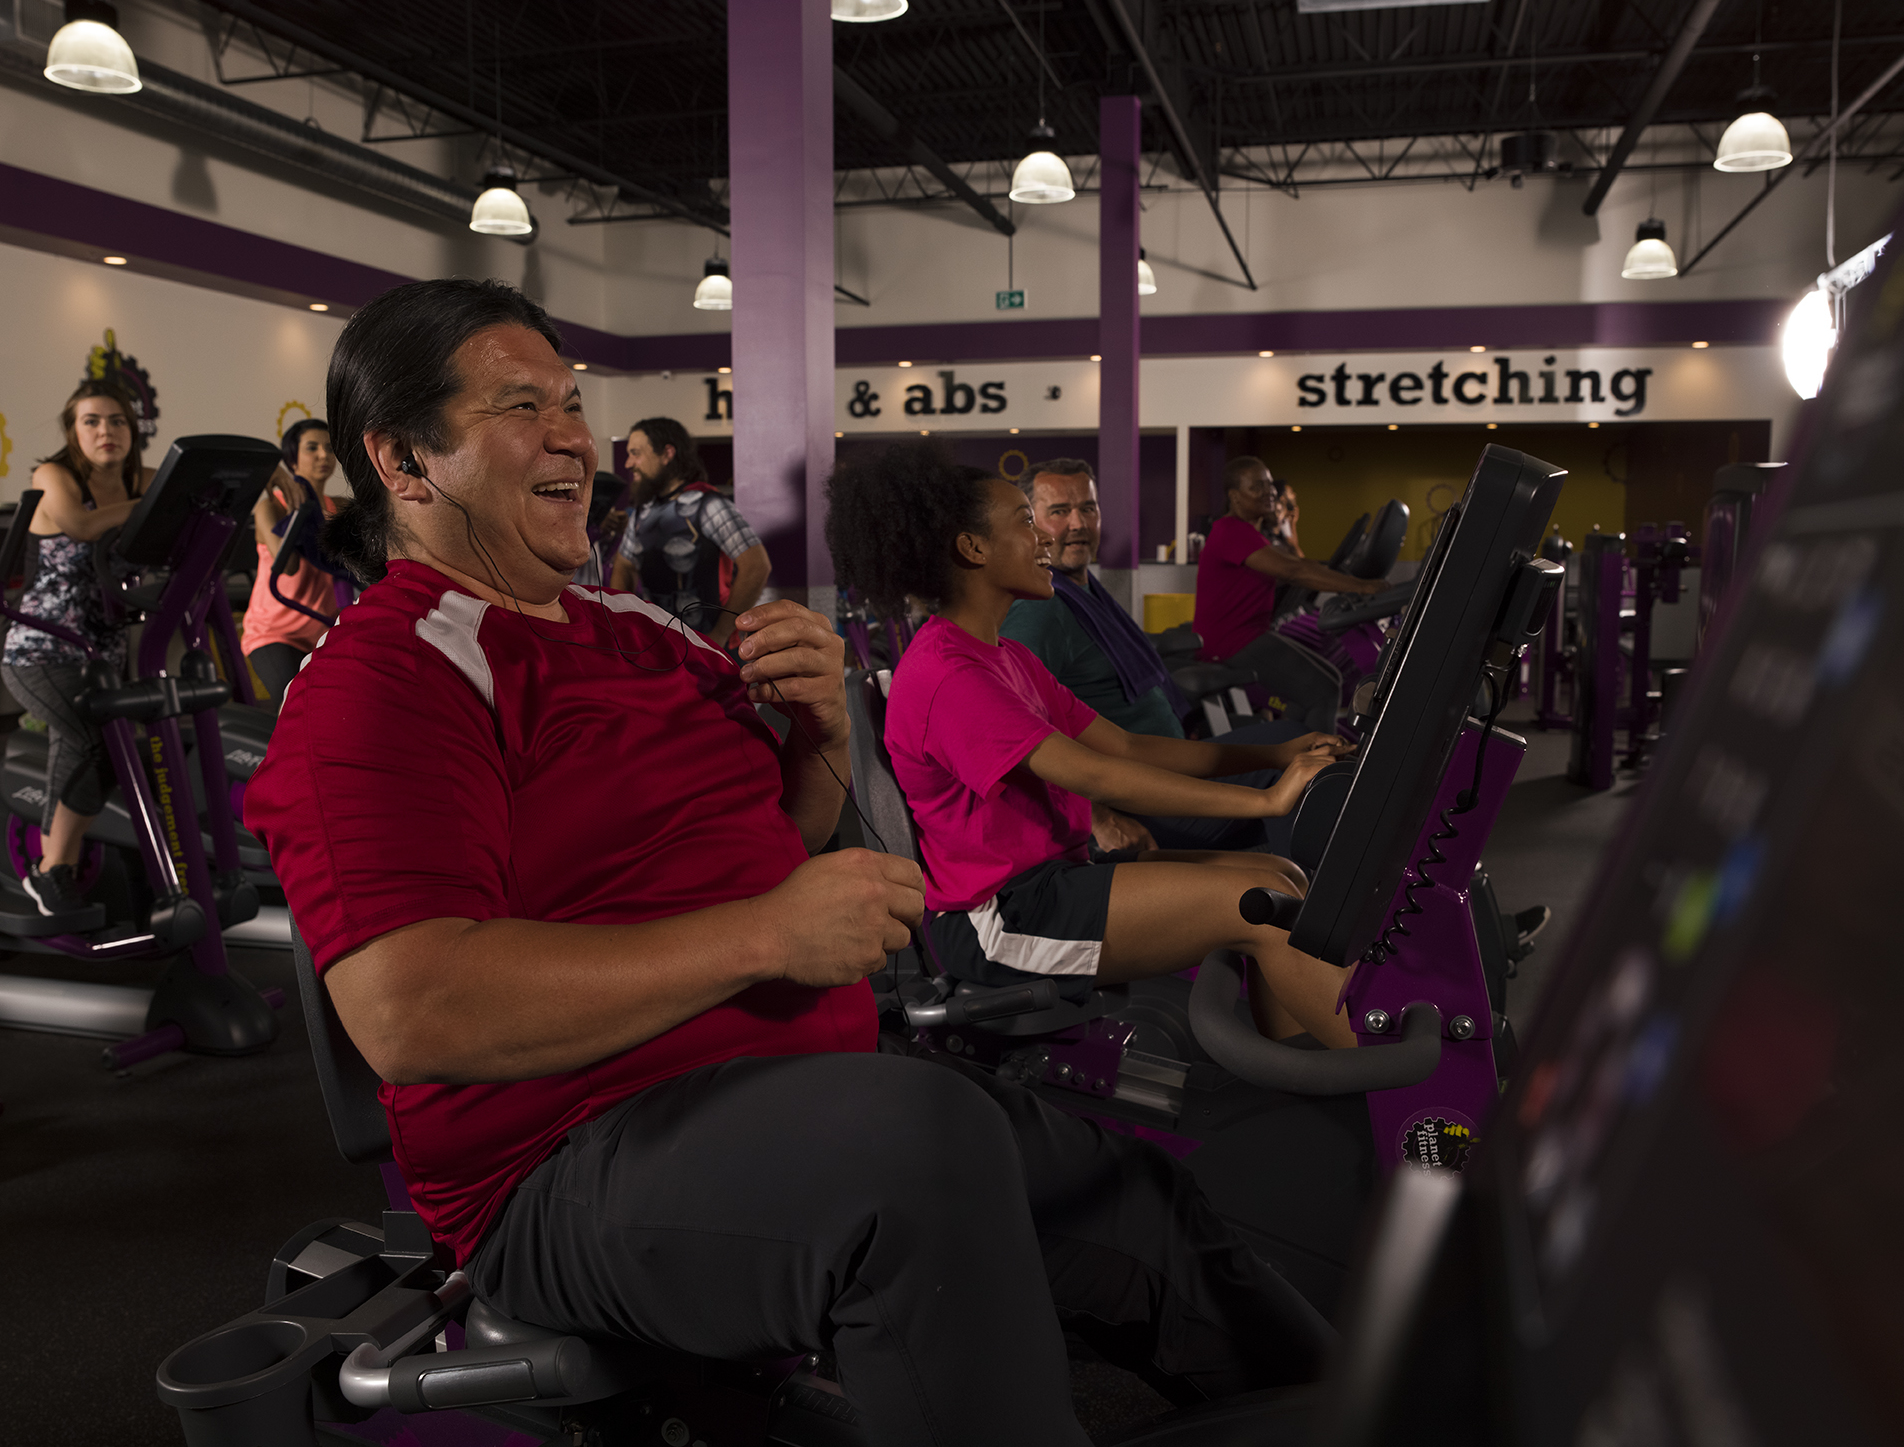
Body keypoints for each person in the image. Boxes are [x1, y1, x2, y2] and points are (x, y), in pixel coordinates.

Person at [247, 278, 1335, 1447]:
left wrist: (819, 736)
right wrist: (767, 936)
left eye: (571, 403)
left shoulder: (643, 633)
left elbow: (780, 837)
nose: (573, 436)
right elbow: (412, 1010)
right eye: (522, 406)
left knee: (1127, 1196)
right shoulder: (382, 680)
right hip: (561, 1163)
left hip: (790, 1088)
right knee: (912, 1155)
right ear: (405, 459)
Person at [825, 441, 1357, 1046]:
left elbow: (1125, 748)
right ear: (973, 549)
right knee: (1265, 902)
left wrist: (1276, 757)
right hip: (1002, 917)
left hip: (1055, 878)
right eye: (1027, 522)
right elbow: (1097, 776)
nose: (1044, 539)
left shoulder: (1005, 656)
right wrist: (1265, 801)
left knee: (1280, 874)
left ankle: (1299, 1073)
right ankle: (1373, 1085)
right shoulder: (950, 675)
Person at [998, 458, 1307, 858]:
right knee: (1293, 762)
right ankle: (1314, 890)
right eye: (1059, 511)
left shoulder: (1086, 591)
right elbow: (1015, 730)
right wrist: (1098, 818)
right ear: (1032, 525)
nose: (1078, 523)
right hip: (1140, 798)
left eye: (1087, 508)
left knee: (1291, 742)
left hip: (1163, 765)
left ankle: (1301, 878)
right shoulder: (1039, 610)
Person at [0, 381, 153, 915]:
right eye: (92, 421)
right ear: (73, 431)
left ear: (132, 430)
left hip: (100, 656)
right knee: (96, 743)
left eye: (117, 420)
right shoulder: (54, 475)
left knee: (87, 750)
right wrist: (152, 505)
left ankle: (53, 869)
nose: (106, 431)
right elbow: (82, 526)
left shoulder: (140, 481)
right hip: (41, 649)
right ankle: (52, 871)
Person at [1195, 456, 1378, 663]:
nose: (1269, 492)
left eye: (1269, 485)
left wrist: (1347, 579)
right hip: (1230, 644)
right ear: (1235, 496)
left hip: (1251, 638)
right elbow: (1293, 571)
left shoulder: (1253, 536)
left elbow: (1299, 564)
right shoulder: (1231, 532)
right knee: (1322, 680)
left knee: (1329, 670)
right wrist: (1362, 587)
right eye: (1257, 487)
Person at [609, 418, 769, 646]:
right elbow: (624, 565)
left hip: (711, 650)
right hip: (659, 646)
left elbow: (756, 566)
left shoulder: (710, 505)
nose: (628, 463)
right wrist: (623, 626)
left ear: (667, 454)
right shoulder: (643, 512)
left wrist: (719, 635)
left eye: (636, 453)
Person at [240, 418, 344, 709]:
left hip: (324, 632)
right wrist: (300, 519)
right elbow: (288, 567)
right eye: (312, 448)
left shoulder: (340, 508)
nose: (323, 455)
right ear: (292, 458)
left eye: (329, 449)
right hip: (275, 634)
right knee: (295, 707)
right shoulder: (270, 507)